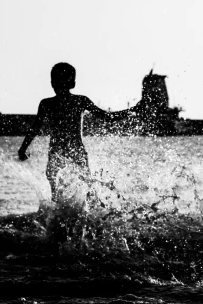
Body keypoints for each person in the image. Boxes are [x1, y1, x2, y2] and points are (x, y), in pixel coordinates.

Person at [18, 62, 142, 200]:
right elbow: (108, 118)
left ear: (52, 83)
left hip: (57, 152)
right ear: (73, 84)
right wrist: (132, 110)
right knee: (87, 187)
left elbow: (34, 129)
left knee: (57, 194)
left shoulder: (47, 103)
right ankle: (89, 216)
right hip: (76, 151)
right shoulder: (79, 101)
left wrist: (23, 149)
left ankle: (59, 218)